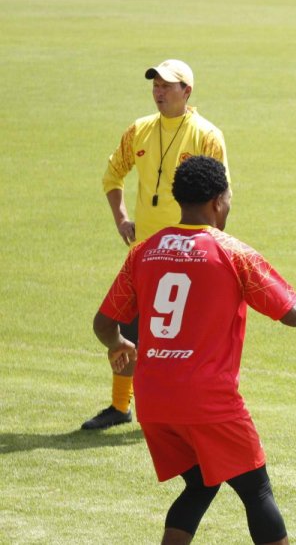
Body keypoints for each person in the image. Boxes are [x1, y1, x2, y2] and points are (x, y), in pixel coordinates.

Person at [92, 155, 296, 545]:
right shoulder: (233, 253)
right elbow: (293, 313)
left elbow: (104, 323)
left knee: (201, 484)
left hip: (154, 399)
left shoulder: (144, 252)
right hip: (207, 400)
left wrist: (118, 344)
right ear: (217, 201)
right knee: (256, 490)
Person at [83, 59, 229, 431]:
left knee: (182, 336)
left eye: (167, 85)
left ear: (187, 92)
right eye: (156, 84)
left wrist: (215, 242)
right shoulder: (139, 131)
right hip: (145, 252)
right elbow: (112, 174)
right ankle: (120, 406)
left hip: (189, 254)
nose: (159, 91)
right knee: (125, 326)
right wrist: (121, 219)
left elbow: (222, 195)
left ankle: (184, 409)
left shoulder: (207, 135)